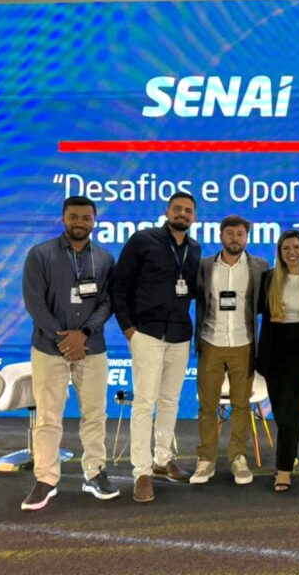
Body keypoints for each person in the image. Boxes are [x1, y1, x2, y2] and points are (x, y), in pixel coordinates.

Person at [21, 196, 117, 511]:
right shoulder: (40, 255)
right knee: (48, 416)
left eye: (86, 218)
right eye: (74, 217)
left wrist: (83, 333)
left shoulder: (104, 259)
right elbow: (34, 302)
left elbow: (108, 302)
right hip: (50, 348)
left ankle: (95, 473)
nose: (80, 223)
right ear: (63, 218)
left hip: (92, 347)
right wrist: (63, 338)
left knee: (95, 414)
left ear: (94, 221)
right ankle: (46, 479)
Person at [112, 192, 201, 503]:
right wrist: (128, 329)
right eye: (177, 209)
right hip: (146, 333)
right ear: (167, 211)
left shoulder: (194, 249)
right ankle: (142, 471)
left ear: (194, 217)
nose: (182, 214)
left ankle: (163, 459)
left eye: (188, 210)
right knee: (144, 403)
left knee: (170, 401)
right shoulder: (142, 240)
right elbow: (120, 285)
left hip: (179, 334)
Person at [191, 215, 268, 486]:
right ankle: (206, 460)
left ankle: (238, 457)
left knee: (241, 405)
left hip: (244, 343)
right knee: (207, 406)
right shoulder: (204, 266)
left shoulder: (260, 266)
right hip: (210, 342)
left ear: (247, 238)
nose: (235, 238)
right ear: (221, 236)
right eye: (230, 233)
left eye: (240, 234)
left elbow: (263, 305)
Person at [256, 230, 299, 492]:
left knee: (292, 411)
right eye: (286, 248)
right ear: (280, 252)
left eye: (296, 247)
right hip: (274, 348)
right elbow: (257, 309)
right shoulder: (269, 278)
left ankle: (283, 469)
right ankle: (288, 452)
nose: (291, 252)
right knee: (281, 411)